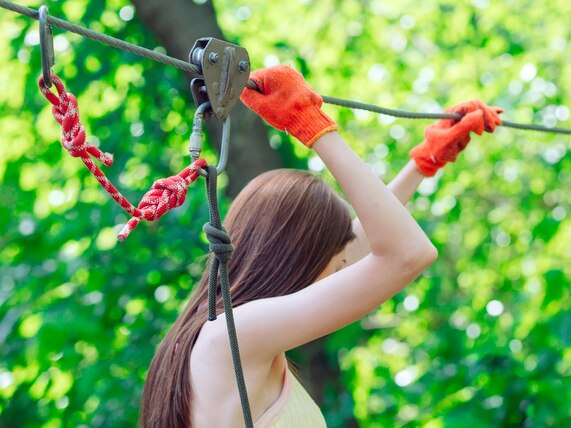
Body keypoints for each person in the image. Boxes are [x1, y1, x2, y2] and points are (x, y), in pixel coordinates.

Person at [139, 65, 502, 427]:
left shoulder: (224, 335)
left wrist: (423, 164)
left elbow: (358, 247)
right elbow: (406, 254)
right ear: (299, 255)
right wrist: (311, 125)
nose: (346, 267)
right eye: (338, 259)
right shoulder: (235, 335)